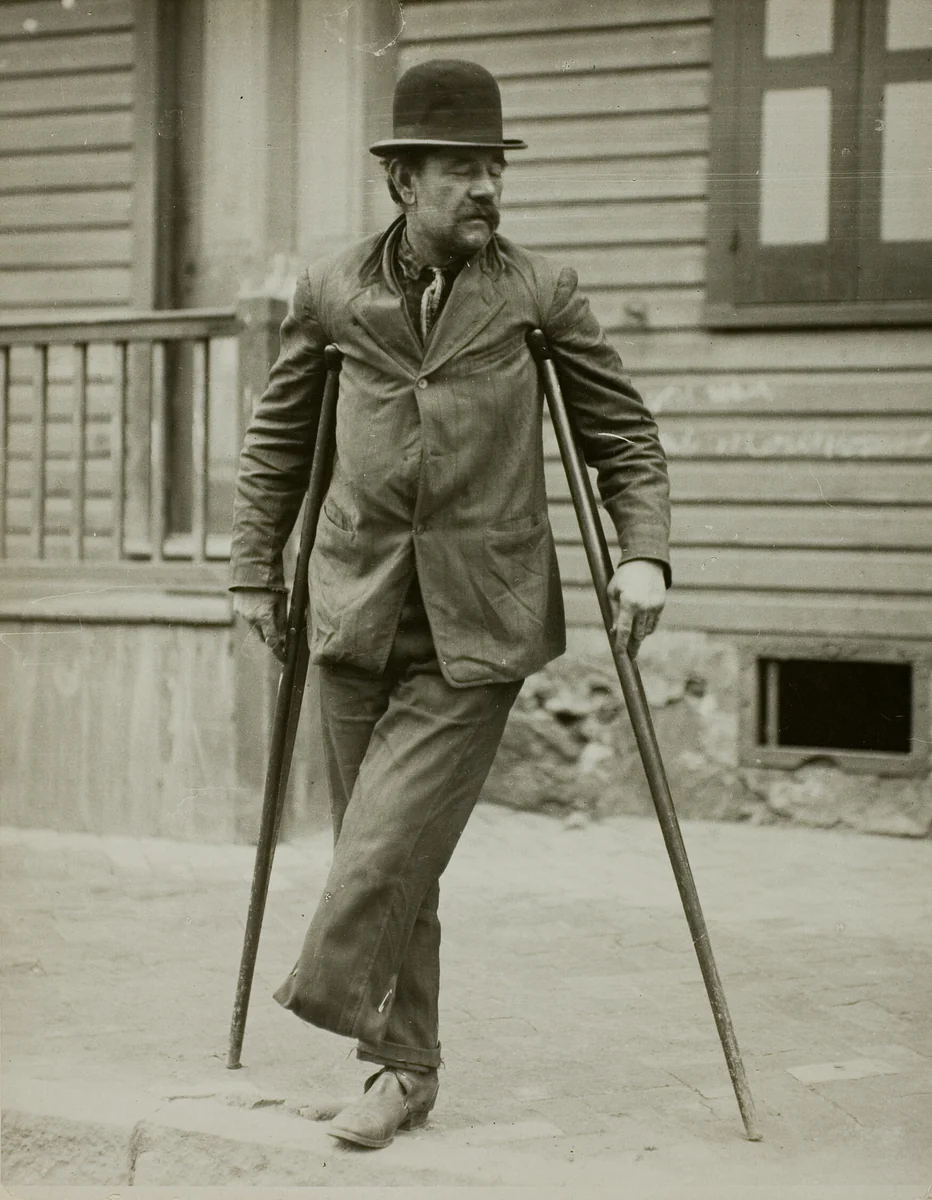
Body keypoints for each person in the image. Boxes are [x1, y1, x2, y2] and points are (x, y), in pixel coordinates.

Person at [230, 58, 670, 1149]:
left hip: (479, 617)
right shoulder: (334, 293)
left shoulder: (537, 293)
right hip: (350, 607)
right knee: (394, 852)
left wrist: (643, 552)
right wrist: (251, 567)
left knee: (380, 843)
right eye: (458, 170)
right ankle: (400, 1071)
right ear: (402, 183)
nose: (483, 189)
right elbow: (280, 442)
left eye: (493, 169)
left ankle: (336, 1009)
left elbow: (622, 434)